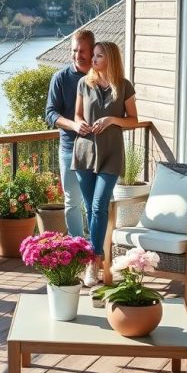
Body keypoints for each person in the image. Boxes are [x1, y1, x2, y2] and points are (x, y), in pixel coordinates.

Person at [72, 41, 138, 285]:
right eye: (94, 55)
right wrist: (78, 124)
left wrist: (111, 119)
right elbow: (77, 115)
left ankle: (93, 261)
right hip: (84, 152)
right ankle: (95, 260)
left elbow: (133, 120)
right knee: (90, 209)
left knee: (100, 206)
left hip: (111, 154)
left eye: (99, 55)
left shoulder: (123, 86)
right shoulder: (84, 83)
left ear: (110, 58)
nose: (93, 59)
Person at [45, 29, 94, 239]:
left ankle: (96, 246)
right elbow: (50, 114)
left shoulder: (101, 77)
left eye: (82, 50)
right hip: (69, 150)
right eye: (74, 50)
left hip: (97, 150)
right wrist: (74, 125)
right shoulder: (60, 78)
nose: (77, 55)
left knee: (95, 202)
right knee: (72, 201)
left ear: (93, 51)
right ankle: (78, 248)